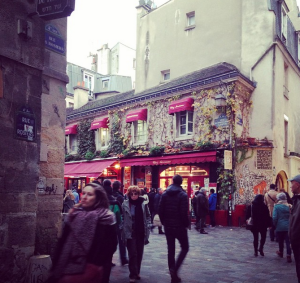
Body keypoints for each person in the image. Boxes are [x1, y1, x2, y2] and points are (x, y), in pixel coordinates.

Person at [49, 183, 118, 283]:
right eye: (84, 193)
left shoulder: (106, 218)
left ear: (98, 198)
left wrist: (94, 265)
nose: (84, 197)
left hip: (93, 271)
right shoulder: (74, 214)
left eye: (89, 194)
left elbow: (110, 246)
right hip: (68, 267)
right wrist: (55, 266)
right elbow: (63, 243)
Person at [159, 175, 189, 283]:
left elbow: (160, 210)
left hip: (168, 226)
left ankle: (173, 275)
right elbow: (183, 212)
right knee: (185, 247)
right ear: (181, 182)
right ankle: (174, 269)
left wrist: (164, 223)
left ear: (172, 181)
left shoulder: (165, 194)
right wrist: (186, 224)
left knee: (170, 250)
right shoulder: (182, 195)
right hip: (179, 226)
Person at [122, 186, 151, 283]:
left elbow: (148, 216)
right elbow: (123, 217)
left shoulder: (143, 203)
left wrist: (148, 226)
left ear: (139, 194)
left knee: (139, 253)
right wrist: (123, 227)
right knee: (132, 254)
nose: (134, 196)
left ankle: (137, 271)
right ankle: (132, 274)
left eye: (135, 194)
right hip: (130, 232)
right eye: (132, 194)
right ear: (129, 194)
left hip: (141, 231)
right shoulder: (125, 204)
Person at [102, 179, 125, 272]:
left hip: (103, 225)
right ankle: (121, 258)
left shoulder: (100, 198)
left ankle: (105, 259)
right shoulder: (117, 198)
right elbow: (121, 212)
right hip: (114, 224)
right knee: (117, 242)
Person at [112, 180, 129, 266]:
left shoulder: (109, 195)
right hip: (119, 220)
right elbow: (124, 208)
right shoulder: (120, 196)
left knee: (111, 240)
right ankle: (123, 258)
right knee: (121, 240)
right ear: (119, 187)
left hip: (110, 220)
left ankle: (109, 258)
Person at [272, 192, 292, 263]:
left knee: (280, 241)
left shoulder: (276, 206)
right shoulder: (289, 206)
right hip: (288, 226)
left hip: (279, 226)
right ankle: (289, 255)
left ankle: (281, 252)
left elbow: (274, 217)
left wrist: (275, 225)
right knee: (288, 242)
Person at [288, 174, 300, 283]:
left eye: (292, 185)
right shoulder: (296, 199)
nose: (290, 187)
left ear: (297, 185)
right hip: (296, 241)